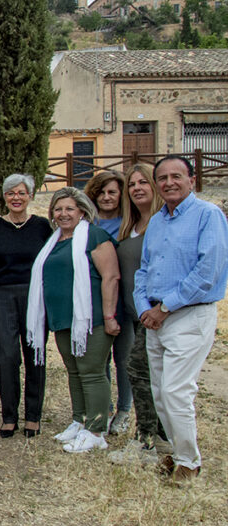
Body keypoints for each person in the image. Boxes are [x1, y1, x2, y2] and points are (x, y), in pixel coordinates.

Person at [133, 155, 228, 483]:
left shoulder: (208, 216)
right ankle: (176, 452)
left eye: (177, 176)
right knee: (160, 391)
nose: (169, 182)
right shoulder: (158, 221)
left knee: (176, 390)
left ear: (192, 179)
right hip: (156, 317)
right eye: (163, 177)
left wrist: (165, 308)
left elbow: (207, 272)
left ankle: (189, 462)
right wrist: (144, 306)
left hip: (188, 314)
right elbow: (144, 268)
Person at [26, 187, 120, 454]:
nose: (63, 213)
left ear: (82, 211)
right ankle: (80, 420)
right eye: (58, 209)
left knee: (91, 372)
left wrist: (110, 315)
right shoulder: (55, 241)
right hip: (63, 319)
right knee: (75, 372)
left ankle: (97, 430)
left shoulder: (94, 237)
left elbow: (111, 277)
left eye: (69, 208)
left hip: (91, 319)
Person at [0, 174, 53, 438]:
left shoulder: (42, 226)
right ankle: (9, 415)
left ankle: (33, 416)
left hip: (34, 296)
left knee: (35, 355)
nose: (16, 198)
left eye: (21, 193)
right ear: (4, 197)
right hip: (1, 295)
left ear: (30, 196)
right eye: (11, 193)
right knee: (7, 357)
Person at [110, 164, 166, 465]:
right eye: (132, 184)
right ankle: (151, 438)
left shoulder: (162, 222)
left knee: (146, 375)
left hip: (156, 313)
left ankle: (150, 440)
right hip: (131, 311)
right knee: (139, 372)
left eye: (144, 182)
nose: (137, 188)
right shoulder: (128, 225)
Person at [84, 169, 133, 435]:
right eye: (101, 192)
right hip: (93, 298)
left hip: (123, 298)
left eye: (112, 192)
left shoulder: (130, 223)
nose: (106, 197)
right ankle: (105, 405)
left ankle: (125, 410)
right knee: (98, 357)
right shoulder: (88, 225)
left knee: (124, 358)